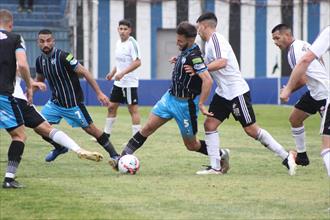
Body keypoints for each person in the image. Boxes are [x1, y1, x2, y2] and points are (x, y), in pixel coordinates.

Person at [193, 12, 296, 175]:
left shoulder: (216, 40)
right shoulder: (208, 44)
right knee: (209, 125)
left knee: (251, 130)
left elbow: (222, 62)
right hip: (223, 93)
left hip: (236, 92)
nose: (197, 31)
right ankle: (216, 167)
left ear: (204, 26)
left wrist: (201, 68)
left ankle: (286, 156)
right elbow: (206, 63)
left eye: (198, 27)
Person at [109, 21, 214, 170]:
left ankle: (220, 154)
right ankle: (121, 159)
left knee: (191, 145)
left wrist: (202, 103)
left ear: (190, 40)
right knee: (147, 128)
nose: (177, 42)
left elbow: (208, 81)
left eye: (180, 40)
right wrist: (178, 60)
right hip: (169, 99)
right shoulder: (186, 51)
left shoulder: (195, 56)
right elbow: (186, 62)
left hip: (185, 106)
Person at [34, 29, 120, 164]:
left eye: (48, 40)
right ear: (38, 43)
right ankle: (60, 147)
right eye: (42, 41)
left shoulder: (64, 57)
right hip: (55, 103)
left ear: (53, 41)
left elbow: (85, 72)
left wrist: (99, 93)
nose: (45, 44)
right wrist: (29, 95)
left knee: (91, 130)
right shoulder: (39, 61)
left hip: (73, 104)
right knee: (39, 126)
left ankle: (115, 155)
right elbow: (38, 81)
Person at [271, 24, 328, 168]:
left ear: (287, 35)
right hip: (314, 93)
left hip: (324, 95)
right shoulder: (303, 45)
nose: (276, 42)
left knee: (327, 138)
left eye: (277, 38)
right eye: (273, 40)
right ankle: (302, 156)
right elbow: (306, 77)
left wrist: (288, 90)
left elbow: (302, 78)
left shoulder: (294, 50)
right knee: (295, 118)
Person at [13, 74, 104, 162]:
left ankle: (63, 148)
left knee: (30, 131)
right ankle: (76, 149)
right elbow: (20, 67)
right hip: (15, 98)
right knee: (38, 130)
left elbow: (19, 67)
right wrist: (31, 84)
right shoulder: (30, 60)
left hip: (8, 97)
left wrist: (32, 84)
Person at [0, 9, 32, 188]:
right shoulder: (15, 38)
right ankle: (9, 179)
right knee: (19, 135)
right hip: (3, 94)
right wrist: (29, 86)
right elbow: (22, 64)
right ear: (10, 24)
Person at [103, 19, 142, 137]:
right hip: (118, 83)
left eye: (125, 29)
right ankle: (105, 135)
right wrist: (112, 72)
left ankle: (136, 138)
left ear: (130, 31)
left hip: (129, 83)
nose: (122, 31)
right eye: (121, 29)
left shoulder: (132, 43)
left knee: (133, 110)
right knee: (111, 107)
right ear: (117, 29)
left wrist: (123, 73)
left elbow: (138, 62)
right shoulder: (118, 43)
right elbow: (119, 62)